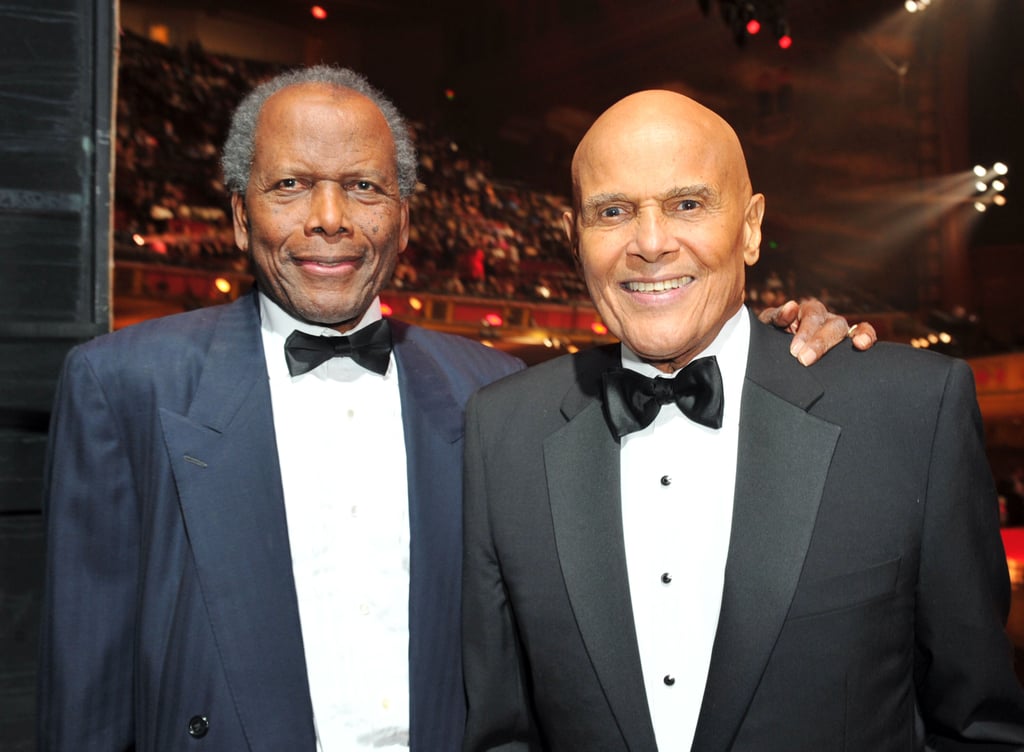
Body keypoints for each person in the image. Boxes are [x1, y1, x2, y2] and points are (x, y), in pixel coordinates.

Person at [37, 66, 865, 752]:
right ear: (237, 211)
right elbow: (87, 682)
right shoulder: (124, 386)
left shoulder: (495, 392)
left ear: (405, 216)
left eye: (363, 187)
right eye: (290, 185)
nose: (329, 219)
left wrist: (783, 341)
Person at [461, 90, 1024, 751]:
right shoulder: (503, 435)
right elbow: (501, 733)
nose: (649, 243)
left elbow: (979, 727)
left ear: (751, 227)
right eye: (613, 212)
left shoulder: (909, 411)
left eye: (687, 204)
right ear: (573, 237)